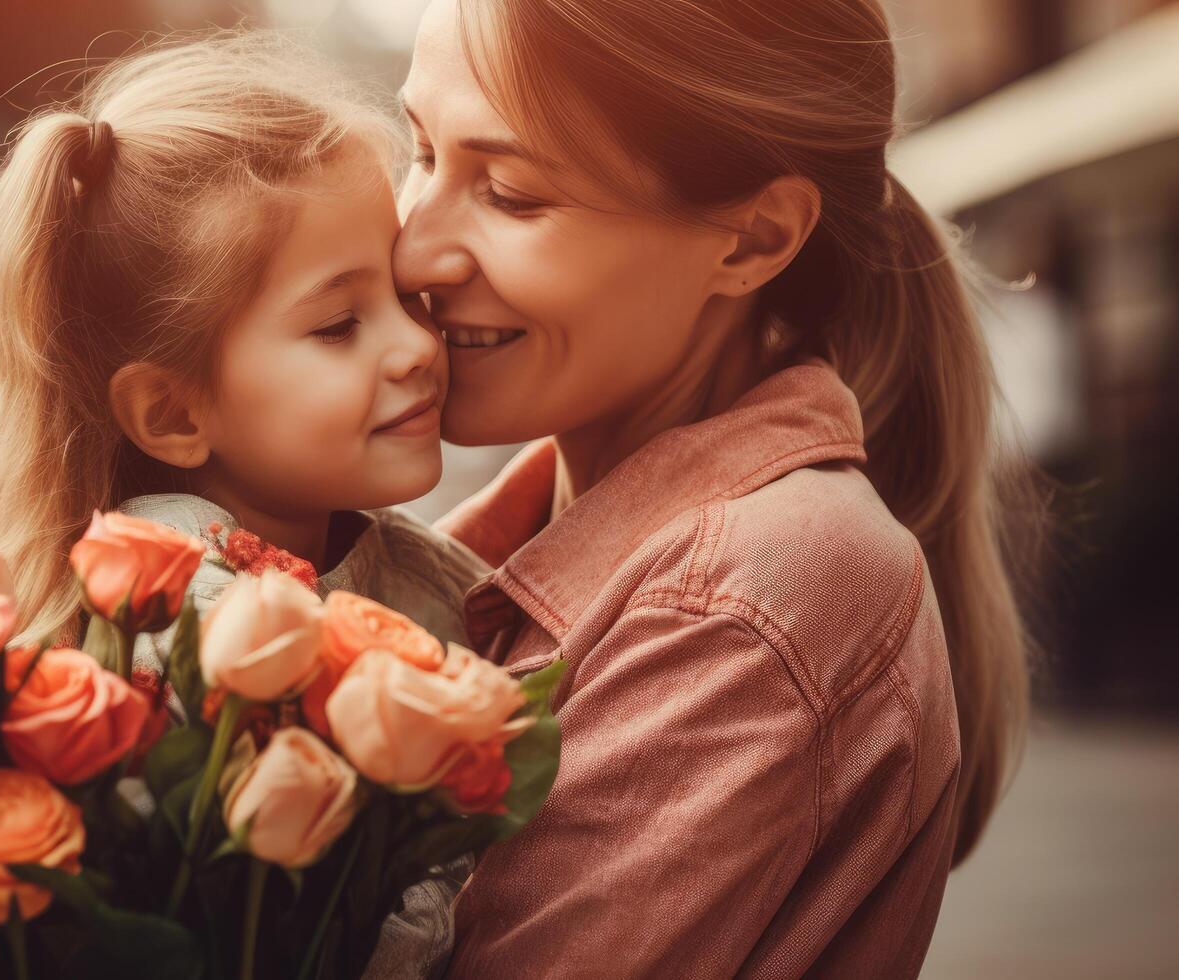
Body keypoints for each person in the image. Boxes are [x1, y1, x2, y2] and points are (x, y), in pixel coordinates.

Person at [392, 0, 1037, 976]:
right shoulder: (478, 558)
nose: (411, 251)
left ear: (750, 241)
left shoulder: (743, 600)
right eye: (420, 152)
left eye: (512, 194)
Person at [0, 34, 485, 976]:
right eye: (337, 325)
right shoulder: (181, 648)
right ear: (171, 413)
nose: (415, 347)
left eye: (404, 295)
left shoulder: (415, 574)